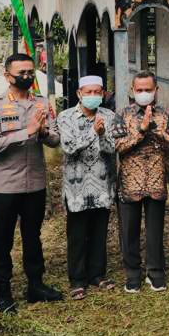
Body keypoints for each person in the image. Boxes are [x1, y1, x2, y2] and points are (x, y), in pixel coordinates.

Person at [0, 53, 63, 312]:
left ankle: (35, 285)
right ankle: (2, 293)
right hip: (4, 186)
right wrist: (26, 132)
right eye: (22, 73)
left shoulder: (41, 103)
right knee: (2, 240)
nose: (27, 76)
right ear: (8, 76)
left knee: (33, 237)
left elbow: (55, 139)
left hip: (34, 184)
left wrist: (44, 132)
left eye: (30, 72)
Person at [111, 70, 169, 292]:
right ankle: (132, 274)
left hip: (156, 180)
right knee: (129, 232)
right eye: (139, 90)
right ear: (133, 90)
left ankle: (155, 272)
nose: (144, 93)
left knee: (155, 231)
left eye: (148, 89)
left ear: (156, 90)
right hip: (130, 183)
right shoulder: (122, 114)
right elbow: (118, 146)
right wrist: (141, 130)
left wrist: (154, 130)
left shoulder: (166, 114)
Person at [56, 75, 118, 300]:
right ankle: (77, 279)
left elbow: (112, 148)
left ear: (103, 94)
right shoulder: (65, 117)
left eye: (97, 92)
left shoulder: (109, 116)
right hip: (77, 187)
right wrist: (94, 132)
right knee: (77, 233)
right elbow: (69, 147)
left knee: (99, 232)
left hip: (102, 183)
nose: (93, 96)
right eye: (88, 92)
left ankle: (97, 274)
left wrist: (102, 136)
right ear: (79, 94)